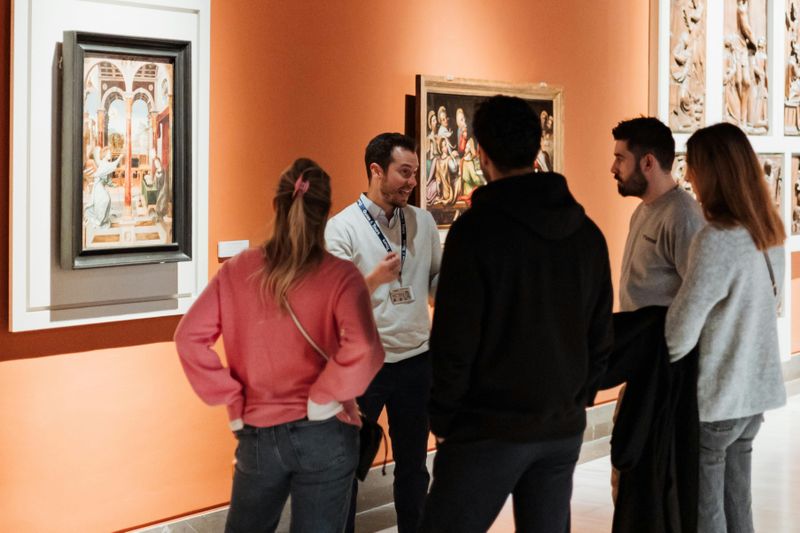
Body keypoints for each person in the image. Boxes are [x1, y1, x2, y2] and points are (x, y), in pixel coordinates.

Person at [420, 95, 614, 532]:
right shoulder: (586, 233)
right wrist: (576, 398)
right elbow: (601, 333)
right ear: (536, 147)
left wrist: (443, 417)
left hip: (488, 426)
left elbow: (454, 339)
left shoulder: (475, 232)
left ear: (482, 153)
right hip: (561, 426)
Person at [174, 159, 385, 533]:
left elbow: (189, 338)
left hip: (258, 431)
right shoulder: (341, 276)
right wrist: (324, 396)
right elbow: (366, 349)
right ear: (326, 213)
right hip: (326, 430)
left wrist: (232, 399)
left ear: (277, 205)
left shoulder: (238, 269)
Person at [665, 122, 787, 533]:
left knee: (707, 514)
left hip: (718, 397)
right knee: (738, 505)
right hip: (753, 396)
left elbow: (678, 335)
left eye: (693, 166)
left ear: (713, 173)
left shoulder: (716, 239)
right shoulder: (768, 233)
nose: (688, 177)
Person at [325, 133, 442, 533]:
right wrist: (374, 278)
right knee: (346, 467)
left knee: (414, 467)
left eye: (415, 172)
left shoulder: (423, 221)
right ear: (376, 170)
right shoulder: (342, 228)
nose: (412, 182)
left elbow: (433, 283)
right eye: (404, 172)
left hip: (417, 360)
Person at [609, 116, 704, 500]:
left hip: (665, 373)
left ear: (647, 162)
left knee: (647, 481)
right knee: (626, 473)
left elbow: (697, 297)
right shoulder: (644, 210)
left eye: (620, 158)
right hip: (640, 365)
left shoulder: (683, 216)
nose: (613, 167)